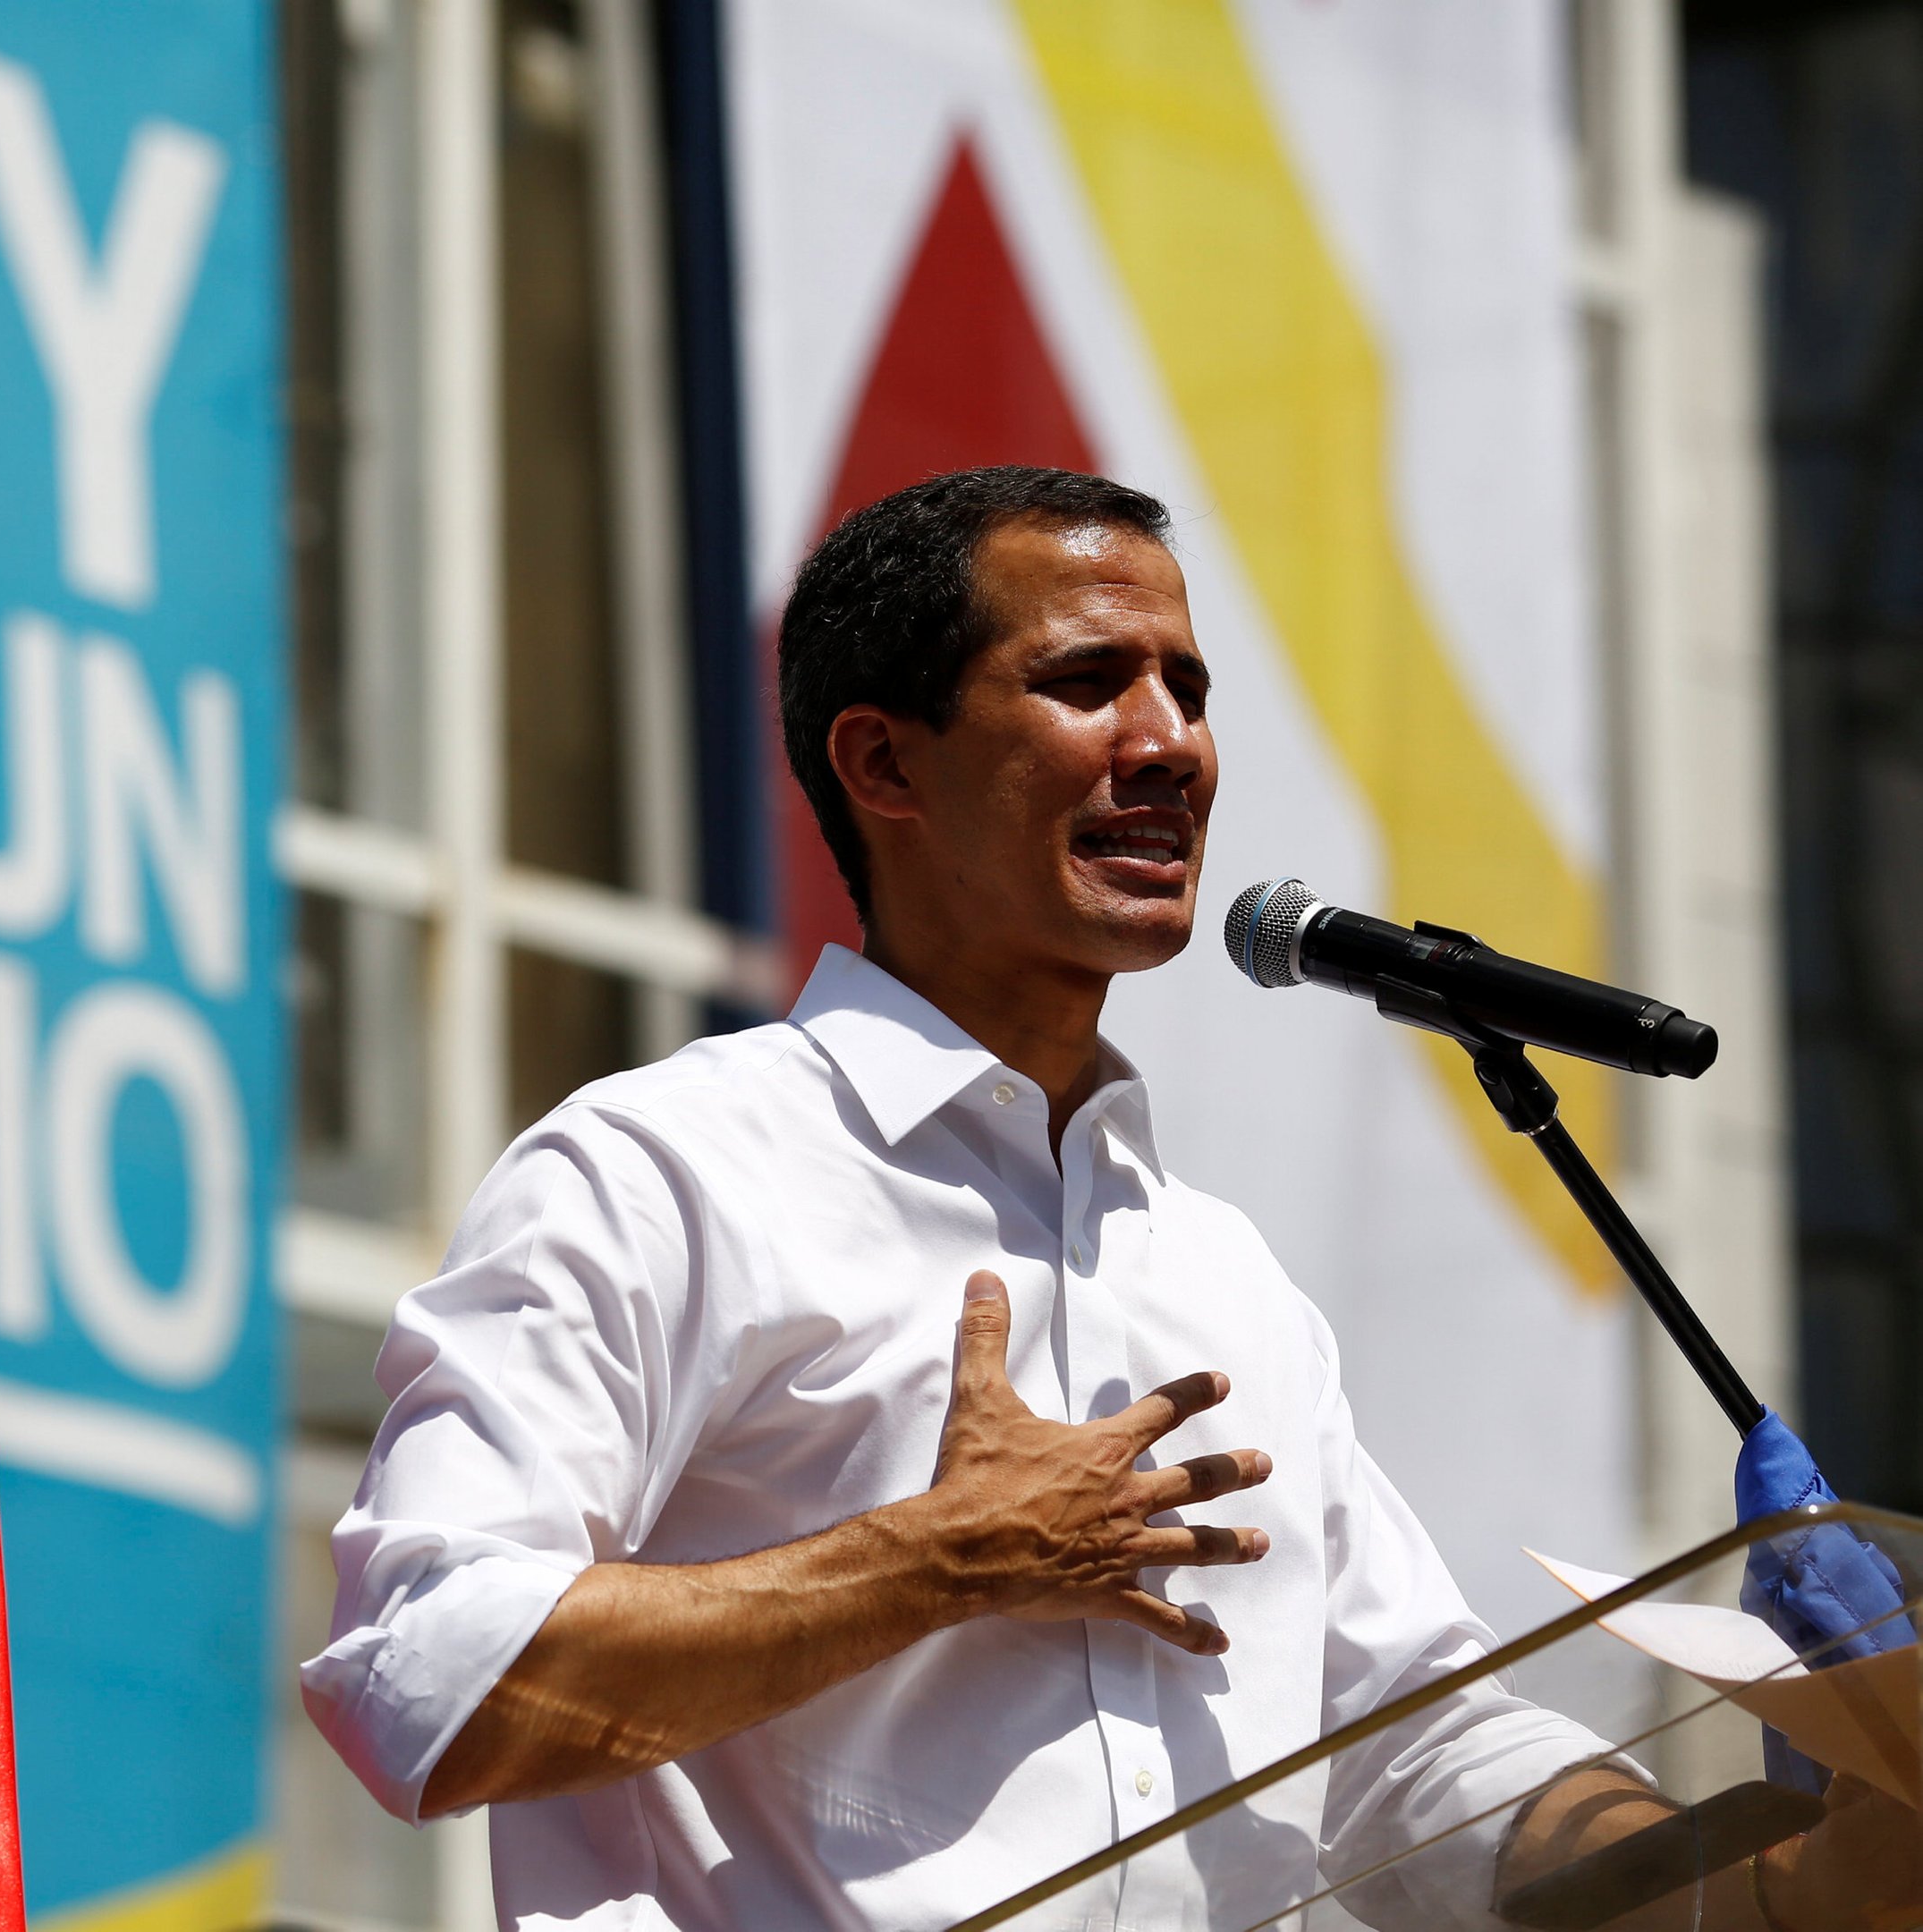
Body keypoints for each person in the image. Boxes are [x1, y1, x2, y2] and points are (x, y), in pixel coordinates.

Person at [299, 467, 1919, 1928]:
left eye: (1189, 690)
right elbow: (422, 1686)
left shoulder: (1219, 1277)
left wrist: (1803, 1850)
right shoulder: (661, 1174)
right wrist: (934, 1557)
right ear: (882, 763)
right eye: (1087, 682)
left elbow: (1416, 1755)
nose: (1170, 745)